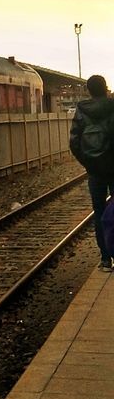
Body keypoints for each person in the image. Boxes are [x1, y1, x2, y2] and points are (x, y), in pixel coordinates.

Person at [70, 74, 114, 269]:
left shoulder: (82, 109)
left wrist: (88, 162)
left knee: (99, 212)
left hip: (95, 171)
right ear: (105, 88)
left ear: (89, 90)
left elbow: (74, 142)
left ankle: (105, 259)